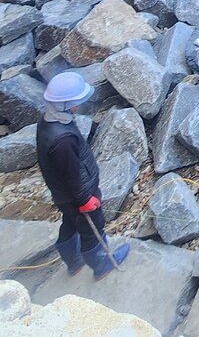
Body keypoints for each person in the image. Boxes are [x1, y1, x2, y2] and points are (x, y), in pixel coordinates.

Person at [38, 71, 130, 279]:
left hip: (63, 195)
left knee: (71, 223)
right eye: (75, 102)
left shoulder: (49, 122)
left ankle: (73, 261)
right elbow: (71, 174)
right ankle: (101, 264)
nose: (78, 106)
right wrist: (84, 199)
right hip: (79, 194)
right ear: (65, 104)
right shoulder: (62, 141)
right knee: (92, 227)